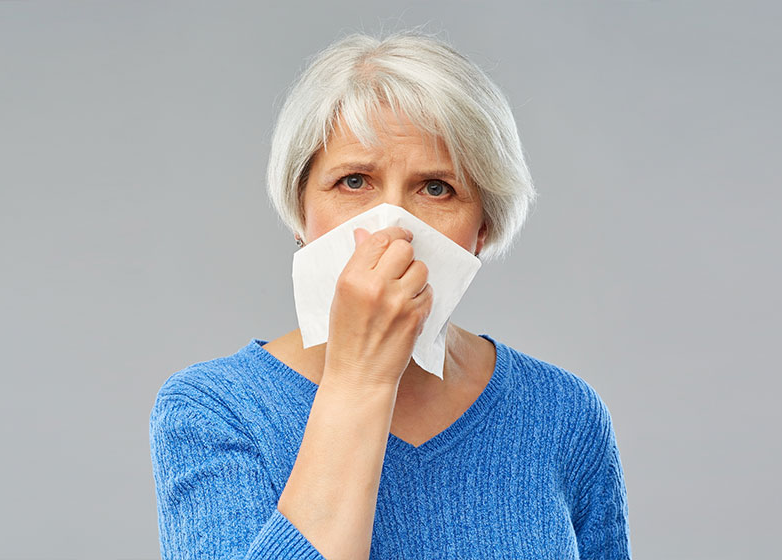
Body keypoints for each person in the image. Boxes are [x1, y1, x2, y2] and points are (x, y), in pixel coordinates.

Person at [149, 29, 632, 560]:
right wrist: (359, 380)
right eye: (354, 181)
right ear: (299, 210)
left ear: (483, 229)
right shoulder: (213, 411)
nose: (393, 227)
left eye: (436, 188)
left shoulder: (563, 413)